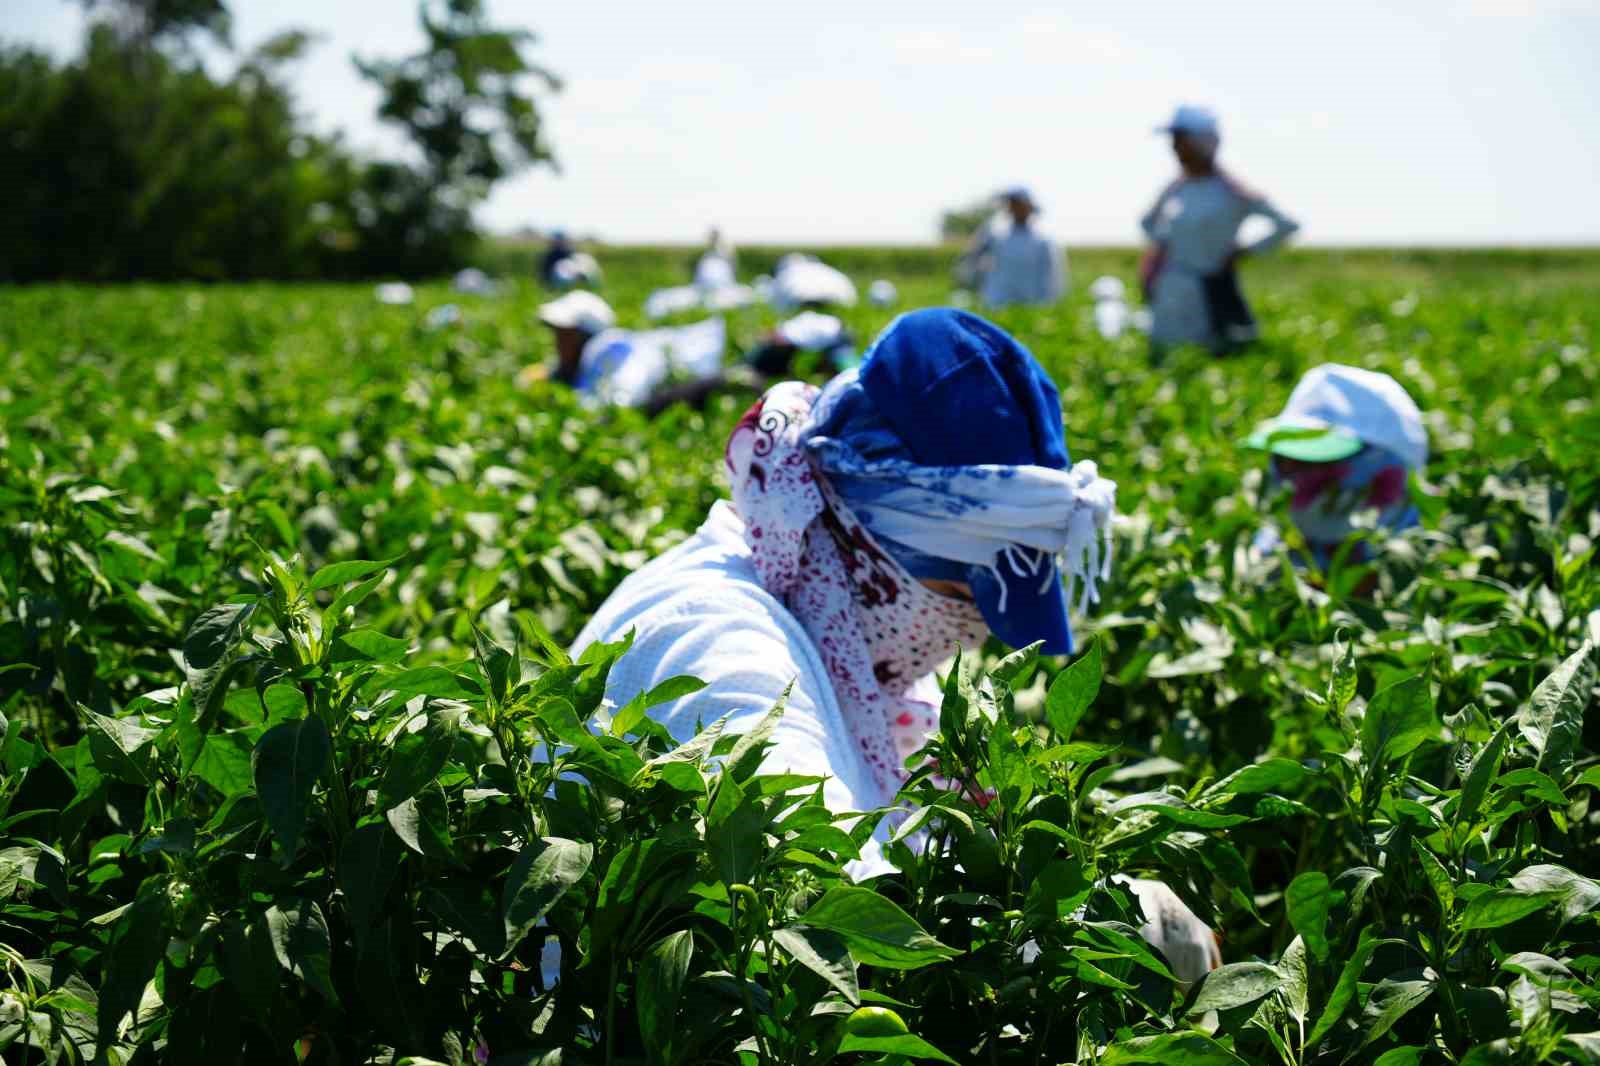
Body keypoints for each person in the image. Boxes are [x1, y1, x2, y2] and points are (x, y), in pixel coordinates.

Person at [572, 308, 1220, 981]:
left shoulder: (841, 641)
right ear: (869, 541)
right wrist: (1098, 932)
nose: (975, 633)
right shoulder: (723, 644)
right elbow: (826, 920)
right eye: (964, 596)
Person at [1140, 106, 1299, 354]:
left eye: (1180, 141)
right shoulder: (1177, 188)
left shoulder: (1233, 191)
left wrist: (1243, 252)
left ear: (1201, 143)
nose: (1175, 149)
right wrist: (1163, 245)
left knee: (1206, 356)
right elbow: (1147, 223)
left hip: (1210, 292)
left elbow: (1287, 225)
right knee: (1164, 355)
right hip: (1169, 292)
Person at [1244, 363, 1427, 574]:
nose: (1293, 474)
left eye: (1320, 464)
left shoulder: (1406, 559)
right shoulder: (1280, 544)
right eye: (1286, 458)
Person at [965, 187, 1066, 308]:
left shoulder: (1043, 241)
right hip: (997, 304)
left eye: (1019, 205)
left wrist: (1047, 304)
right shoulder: (996, 236)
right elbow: (972, 259)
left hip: (1030, 306)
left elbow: (1051, 280)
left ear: (1029, 208)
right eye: (1013, 205)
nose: (1016, 209)